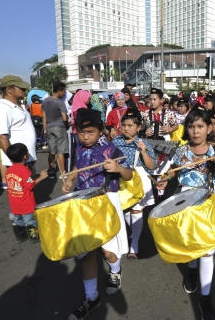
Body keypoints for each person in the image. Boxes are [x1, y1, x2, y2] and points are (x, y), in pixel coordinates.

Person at [157, 109, 215, 320]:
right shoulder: (181, 151)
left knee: (207, 249)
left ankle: (205, 298)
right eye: (191, 126)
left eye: (200, 126)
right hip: (185, 201)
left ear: (209, 128)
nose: (195, 131)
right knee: (190, 242)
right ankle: (191, 270)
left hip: (208, 203)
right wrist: (165, 178)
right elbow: (173, 170)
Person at [63, 108, 131, 320]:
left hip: (105, 203)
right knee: (87, 251)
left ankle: (115, 270)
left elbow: (128, 174)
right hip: (84, 203)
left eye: (90, 132)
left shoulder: (111, 150)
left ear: (100, 130)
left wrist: (118, 169)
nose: (85, 137)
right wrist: (70, 179)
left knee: (108, 251)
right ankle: (91, 298)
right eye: (81, 132)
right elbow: (76, 166)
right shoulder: (80, 148)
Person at [112, 108, 156, 258]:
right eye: (124, 125)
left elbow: (151, 166)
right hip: (121, 180)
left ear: (138, 128)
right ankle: (135, 231)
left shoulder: (143, 143)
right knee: (124, 210)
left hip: (139, 180)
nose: (126, 128)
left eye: (130, 125)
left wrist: (143, 152)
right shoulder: (116, 141)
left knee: (137, 211)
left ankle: (134, 246)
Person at [5, 143, 48, 243]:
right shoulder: (24, 170)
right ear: (25, 156)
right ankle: (34, 237)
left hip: (14, 202)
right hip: (26, 202)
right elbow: (30, 185)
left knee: (17, 220)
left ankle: (20, 237)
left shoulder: (9, 170)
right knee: (30, 220)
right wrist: (41, 177)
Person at [0, 75, 37, 171]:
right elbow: (1, 136)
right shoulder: (3, 108)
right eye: (21, 88)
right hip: (18, 162)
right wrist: (15, 161)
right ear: (9, 89)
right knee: (22, 185)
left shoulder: (20, 105)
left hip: (27, 158)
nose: (24, 90)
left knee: (29, 185)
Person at [42, 81, 69, 179]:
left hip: (49, 127)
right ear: (60, 90)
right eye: (64, 91)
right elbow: (65, 118)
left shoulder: (45, 101)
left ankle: (51, 171)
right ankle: (63, 173)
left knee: (52, 150)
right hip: (59, 127)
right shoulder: (60, 102)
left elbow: (44, 116)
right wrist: (67, 125)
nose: (64, 93)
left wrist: (44, 128)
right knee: (61, 151)